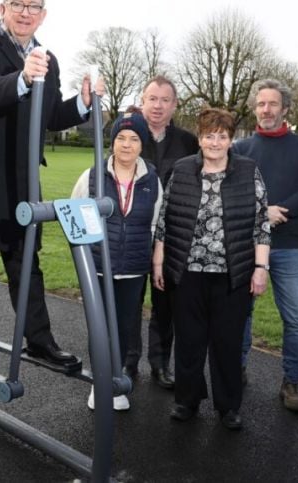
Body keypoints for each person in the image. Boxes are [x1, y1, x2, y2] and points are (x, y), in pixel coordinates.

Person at [0, 0, 104, 366]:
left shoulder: (48, 58)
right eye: (18, 4)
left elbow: (50, 114)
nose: (26, 12)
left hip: (21, 176)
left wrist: (82, 104)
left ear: (43, 14)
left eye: (34, 6)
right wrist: (24, 78)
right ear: (2, 8)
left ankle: (40, 341)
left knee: (26, 260)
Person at [153, 108, 270, 430]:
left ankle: (228, 407)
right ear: (200, 138)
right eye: (209, 135)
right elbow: (165, 220)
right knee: (189, 341)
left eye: (222, 136)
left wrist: (261, 267)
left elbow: (261, 223)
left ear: (232, 139)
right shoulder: (182, 169)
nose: (215, 142)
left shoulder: (248, 171)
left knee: (227, 343)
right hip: (187, 272)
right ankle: (186, 400)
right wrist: (159, 262)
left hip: (233, 274)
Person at [233, 79, 298, 411]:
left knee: (296, 318)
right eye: (261, 104)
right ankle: (237, 368)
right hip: (245, 245)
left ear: (285, 108)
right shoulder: (240, 149)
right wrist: (262, 212)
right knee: (242, 313)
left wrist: (279, 212)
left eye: (272, 104)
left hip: (288, 246)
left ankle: (292, 380)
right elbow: (231, 190)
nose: (266, 110)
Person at [71, 111, 162, 411]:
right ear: (112, 143)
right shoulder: (92, 176)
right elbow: (74, 217)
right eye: (121, 138)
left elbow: (156, 224)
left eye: (134, 139)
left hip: (133, 270)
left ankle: (116, 378)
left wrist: (149, 255)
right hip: (98, 267)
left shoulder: (152, 180)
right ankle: (100, 384)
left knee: (124, 327)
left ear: (142, 143)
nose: (126, 144)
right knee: (100, 327)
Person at [126, 76, 198, 387]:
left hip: (171, 236)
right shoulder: (127, 134)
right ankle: (128, 363)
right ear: (142, 101)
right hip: (131, 233)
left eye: (164, 100)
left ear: (174, 105)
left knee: (165, 305)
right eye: (151, 98)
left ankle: (159, 364)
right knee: (129, 302)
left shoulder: (187, 142)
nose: (157, 105)